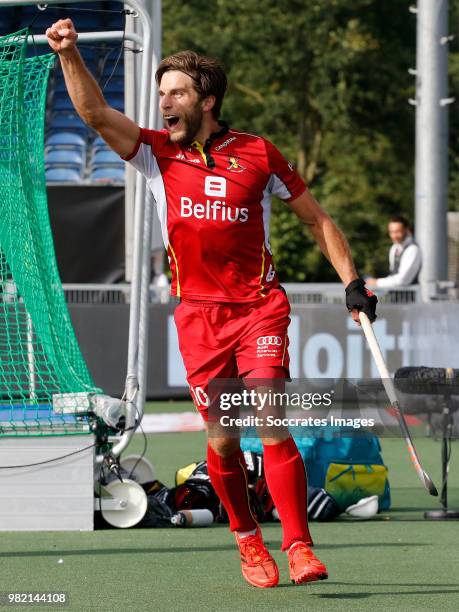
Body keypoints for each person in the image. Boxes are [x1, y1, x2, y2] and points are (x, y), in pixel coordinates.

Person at [46, 19, 377, 588]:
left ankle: (299, 545)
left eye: (176, 93)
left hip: (259, 308)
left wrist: (352, 282)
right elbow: (96, 115)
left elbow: (317, 220)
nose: (164, 103)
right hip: (198, 317)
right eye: (161, 94)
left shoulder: (258, 153)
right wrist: (70, 54)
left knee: (272, 421)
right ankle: (249, 541)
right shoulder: (154, 153)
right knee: (222, 439)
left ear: (207, 100)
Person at [367, 216, 421, 288]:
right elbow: (393, 274)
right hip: (396, 295)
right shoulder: (394, 248)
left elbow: (403, 280)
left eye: (398, 232)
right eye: (391, 232)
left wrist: (377, 282)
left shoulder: (412, 250)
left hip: (410, 297)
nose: (394, 236)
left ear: (407, 230)